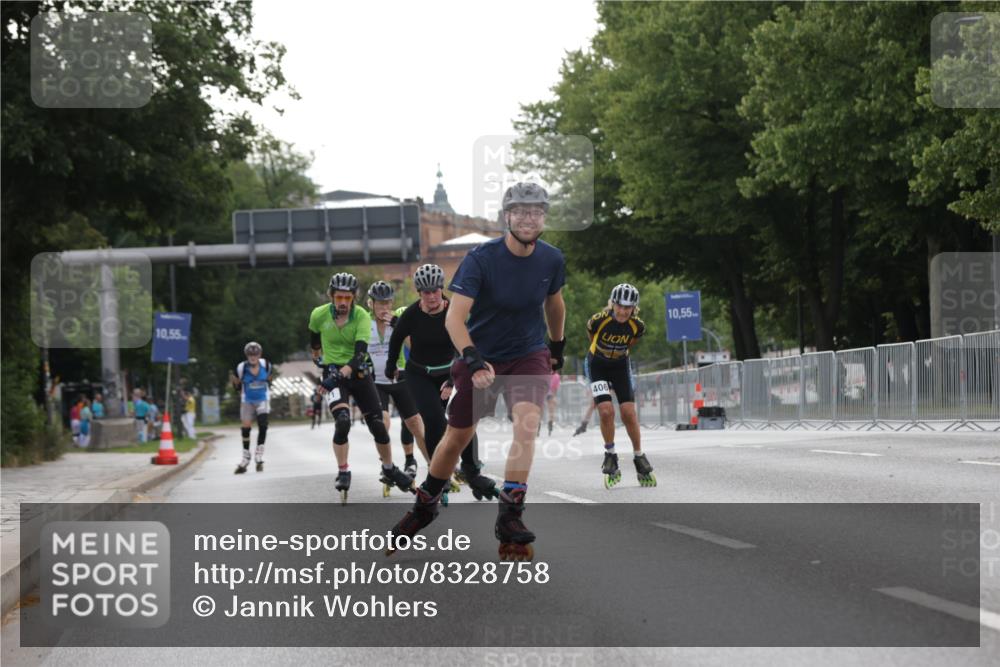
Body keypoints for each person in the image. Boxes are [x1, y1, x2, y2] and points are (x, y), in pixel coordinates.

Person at [389, 183, 566, 560]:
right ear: (507, 216)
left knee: (528, 422)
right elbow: (455, 317)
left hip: (528, 353)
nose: (528, 219)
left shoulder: (552, 260)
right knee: (455, 439)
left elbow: (555, 303)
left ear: (544, 218)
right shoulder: (481, 258)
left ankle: (510, 516)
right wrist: (472, 359)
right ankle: (425, 505)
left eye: (536, 212)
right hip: (481, 354)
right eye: (520, 212)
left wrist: (558, 345)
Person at [385, 264, 496, 502]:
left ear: (441, 289)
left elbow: (463, 346)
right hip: (419, 374)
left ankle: (472, 470)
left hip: (450, 370)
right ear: (419, 293)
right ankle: (441, 476)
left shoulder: (453, 312)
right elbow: (395, 340)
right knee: (434, 420)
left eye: (435, 290)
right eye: (426, 292)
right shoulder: (412, 314)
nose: (432, 296)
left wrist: (449, 380)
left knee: (464, 417)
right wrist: (390, 365)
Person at [309, 272, 413, 502]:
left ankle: (388, 467)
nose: (343, 303)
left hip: (358, 372)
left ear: (354, 298)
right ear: (331, 296)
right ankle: (343, 470)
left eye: (348, 298)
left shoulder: (362, 318)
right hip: (333, 372)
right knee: (343, 420)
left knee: (378, 425)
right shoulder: (319, 315)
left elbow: (359, 356)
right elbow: (314, 337)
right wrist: (317, 356)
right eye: (339, 298)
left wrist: (334, 377)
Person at [586, 285, 656, 488]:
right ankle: (610, 454)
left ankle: (639, 455)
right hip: (597, 364)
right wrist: (603, 354)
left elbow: (631, 342)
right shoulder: (599, 320)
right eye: (619, 306)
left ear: (634, 308)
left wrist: (615, 355)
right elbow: (591, 336)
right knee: (606, 411)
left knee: (628, 413)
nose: (623, 311)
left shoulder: (637, 326)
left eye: (628, 307)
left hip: (620, 366)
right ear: (612, 304)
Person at [366, 280, 429, 485]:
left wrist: (397, 324)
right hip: (376, 381)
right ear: (371, 304)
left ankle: (435, 466)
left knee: (416, 425)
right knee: (381, 422)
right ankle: (388, 466)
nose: (383, 308)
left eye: (387, 303)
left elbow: (416, 346)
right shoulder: (362, 322)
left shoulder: (398, 320)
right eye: (379, 303)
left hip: (399, 376)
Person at [231, 341, 272, 473]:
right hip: (247, 400)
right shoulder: (241, 368)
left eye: (255, 354)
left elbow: (269, 379)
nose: (253, 357)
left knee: (263, 424)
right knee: (246, 428)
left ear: (260, 355)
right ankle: (246, 456)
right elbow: (236, 385)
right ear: (246, 356)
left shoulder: (266, 365)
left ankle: (259, 453)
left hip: (262, 399)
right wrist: (238, 385)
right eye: (250, 355)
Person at [540, 371, 561, 436]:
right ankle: (550, 423)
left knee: (541, 410)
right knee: (551, 410)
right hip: (549, 394)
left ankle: (540, 424)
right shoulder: (556, 376)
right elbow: (555, 389)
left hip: (544, 393)